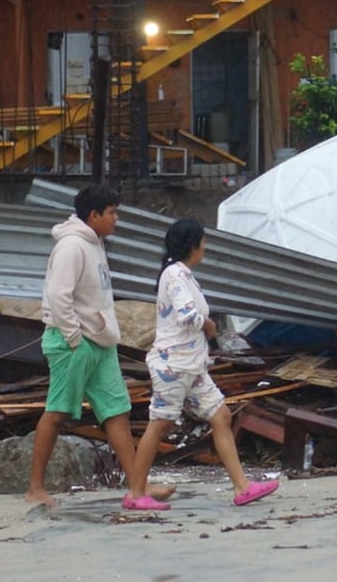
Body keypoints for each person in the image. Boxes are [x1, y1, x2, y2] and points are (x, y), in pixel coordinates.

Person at [26, 183, 175, 508]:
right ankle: (35, 487)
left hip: (101, 342)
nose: (116, 219)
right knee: (58, 411)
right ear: (93, 215)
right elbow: (57, 296)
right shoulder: (71, 247)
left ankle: (138, 485)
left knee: (117, 411)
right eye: (112, 213)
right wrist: (75, 339)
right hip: (74, 343)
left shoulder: (95, 244)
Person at [126, 218, 279, 509]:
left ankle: (242, 486)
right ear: (193, 245)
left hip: (192, 366)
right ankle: (135, 493)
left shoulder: (181, 274)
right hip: (174, 365)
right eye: (203, 241)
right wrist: (208, 325)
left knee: (221, 416)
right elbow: (189, 315)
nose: (205, 247)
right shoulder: (175, 276)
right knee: (160, 424)